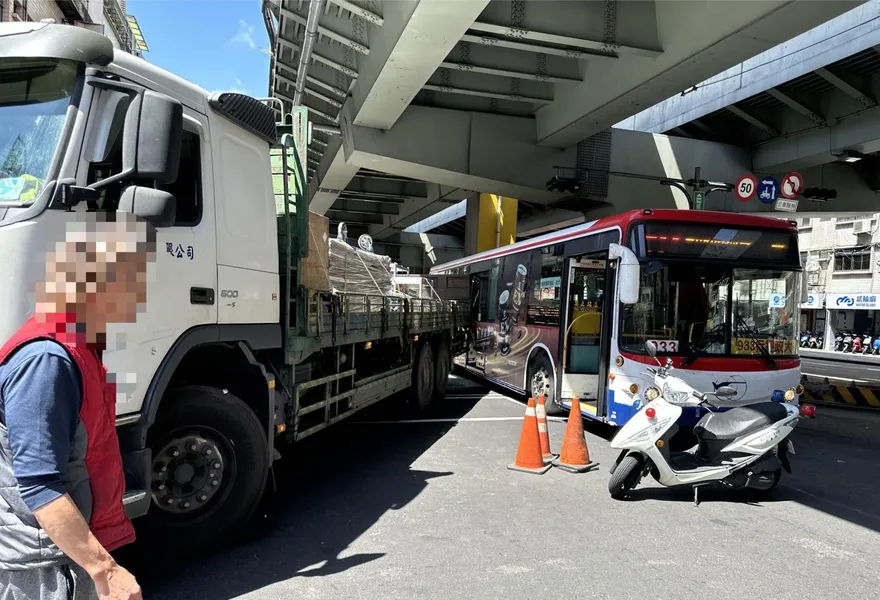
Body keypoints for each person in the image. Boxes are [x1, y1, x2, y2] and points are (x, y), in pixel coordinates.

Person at [0, 213, 155, 600]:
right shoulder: (46, 360)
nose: (138, 297)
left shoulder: (77, 346)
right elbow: (39, 484)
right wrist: (106, 571)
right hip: (46, 563)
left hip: (62, 553)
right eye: (129, 283)